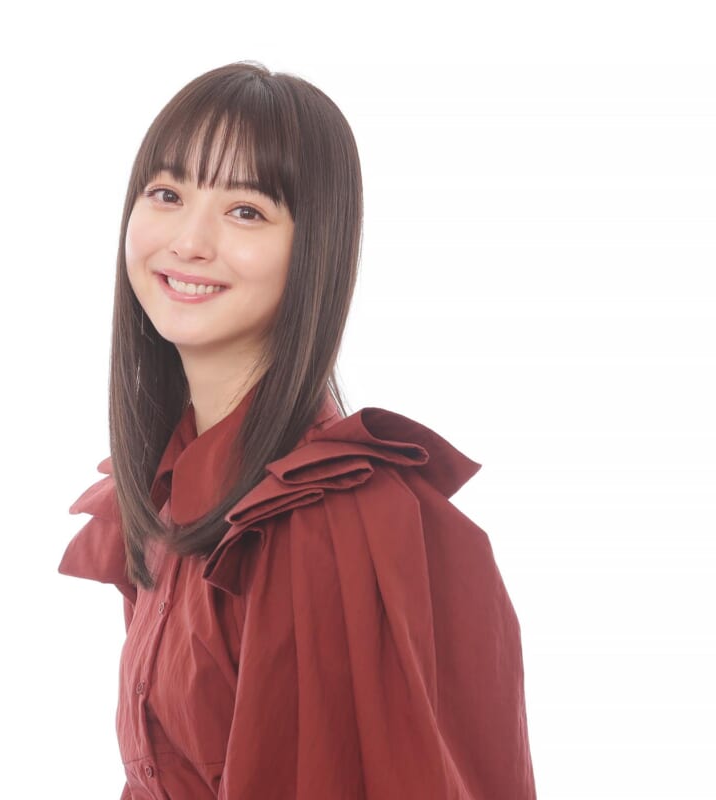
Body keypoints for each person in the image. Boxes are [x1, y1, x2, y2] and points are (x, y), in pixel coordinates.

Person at [58, 61, 537, 800]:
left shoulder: (331, 523)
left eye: (246, 210)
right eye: (167, 194)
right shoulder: (170, 490)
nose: (189, 241)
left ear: (314, 249)